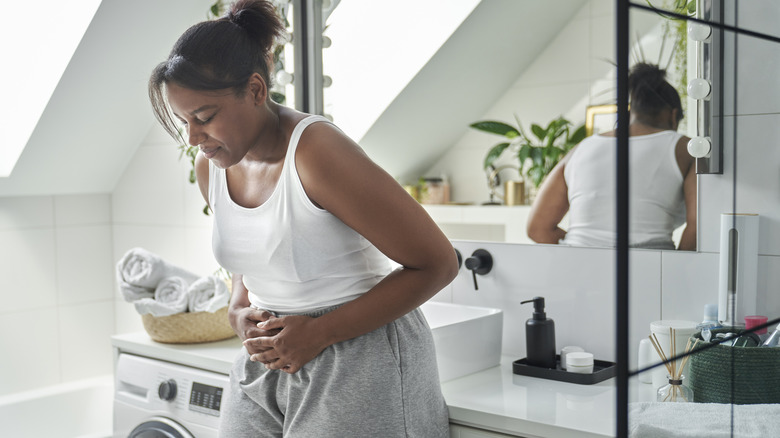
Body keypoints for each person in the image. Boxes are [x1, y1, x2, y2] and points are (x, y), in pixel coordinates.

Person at [148, 1, 457, 436]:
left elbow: (438, 264)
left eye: (205, 118)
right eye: (185, 123)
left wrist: (320, 333)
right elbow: (248, 254)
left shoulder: (316, 154)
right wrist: (239, 308)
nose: (196, 138)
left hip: (359, 356)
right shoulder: (213, 166)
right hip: (267, 358)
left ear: (256, 90)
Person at [526, 62, 696, 251]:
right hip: (650, 269)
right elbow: (698, 226)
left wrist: (588, 249)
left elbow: (538, 228)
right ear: (673, 116)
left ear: (632, 112)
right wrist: (680, 274)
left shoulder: (581, 148)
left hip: (575, 269)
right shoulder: (686, 148)